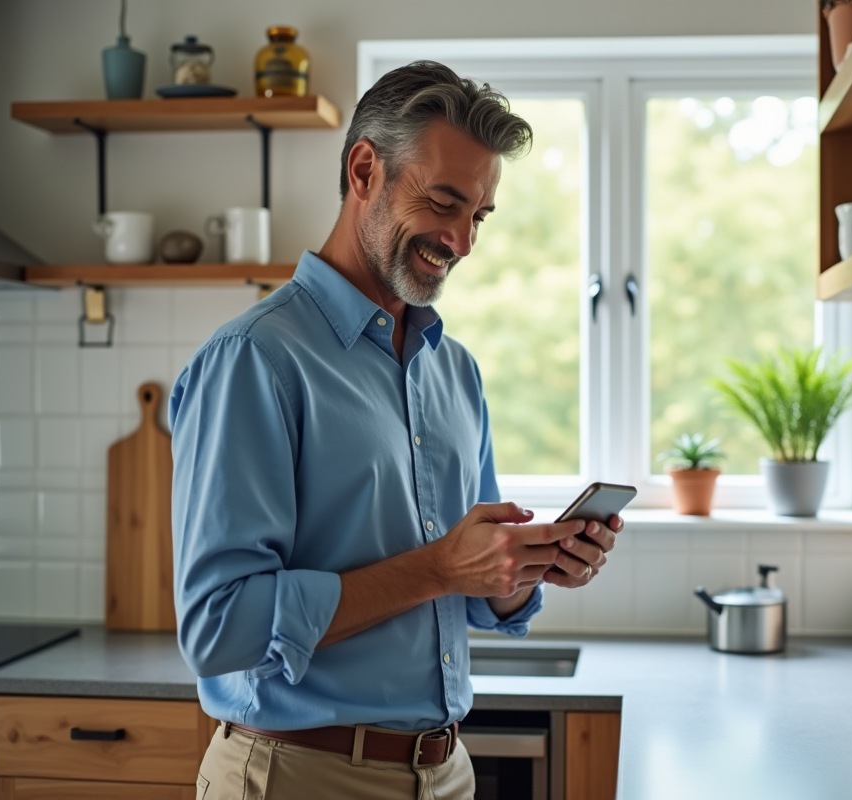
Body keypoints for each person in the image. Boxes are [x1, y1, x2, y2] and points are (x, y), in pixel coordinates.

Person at [169, 60, 623, 800]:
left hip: (444, 774)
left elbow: (468, 593)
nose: (462, 241)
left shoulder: (455, 371)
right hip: (296, 775)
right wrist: (442, 567)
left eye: (477, 216)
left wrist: (526, 567)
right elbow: (219, 628)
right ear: (363, 170)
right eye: (444, 202)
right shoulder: (254, 359)